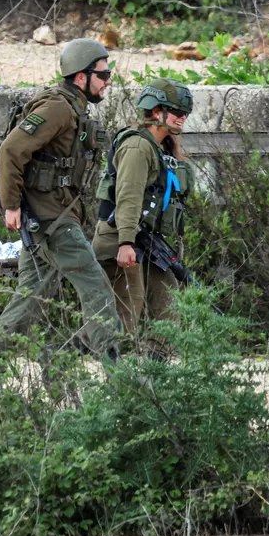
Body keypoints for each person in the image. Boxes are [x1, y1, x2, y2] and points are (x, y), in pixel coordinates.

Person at [0, 38, 124, 363]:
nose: (108, 81)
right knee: (97, 291)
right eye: (103, 75)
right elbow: (10, 150)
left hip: (53, 221)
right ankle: (122, 382)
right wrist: (11, 206)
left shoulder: (73, 108)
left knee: (26, 305)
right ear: (81, 77)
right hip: (52, 224)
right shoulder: (58, 107)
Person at [92, 78, 196, 355]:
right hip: (122, 239)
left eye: (185, 113)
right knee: (126, 315)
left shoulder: (161, 149)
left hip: (147, 241)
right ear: (155, 111)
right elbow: (128, 196)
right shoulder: (138, 147)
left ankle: (154, 381)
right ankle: (85, 365)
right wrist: (126, 243)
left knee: (168, 308)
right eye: (176, 111)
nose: (182, 118)